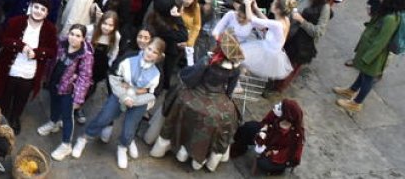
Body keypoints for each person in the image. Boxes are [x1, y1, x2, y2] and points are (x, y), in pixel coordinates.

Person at [150, 32, 243, 172]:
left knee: (179, 100)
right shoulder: (235, 68)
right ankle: (207, 159)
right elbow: (230, 90)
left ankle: (172, 145)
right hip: (219, 96)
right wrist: (226, 101)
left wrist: (184, 77)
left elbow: (192, 78)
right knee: (226, 117)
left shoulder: (208, 61)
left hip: (198, 91)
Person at [71, 37, 164, 168]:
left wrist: (135, 95)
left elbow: (152, 93)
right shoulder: (129, 59)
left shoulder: (157, 72)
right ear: (145, 47)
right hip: (120, 93)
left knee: (129, 128)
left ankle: (123, 147)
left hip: (139, 101)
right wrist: (126, 95)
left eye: (154, 52)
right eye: (149, 49)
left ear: (159, 56)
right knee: (104, 117)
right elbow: (115, 77)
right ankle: (84, 138)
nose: (150, 53)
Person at [0, 0, 58, 132]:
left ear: (47, 13)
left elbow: (52, 51)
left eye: (43, 9)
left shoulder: (50, 29)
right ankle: (1, 118)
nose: (38, 11)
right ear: (31, 7)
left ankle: (15, 118)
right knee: (5, 96)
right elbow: (4, 39)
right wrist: (21, 46)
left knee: (21, 98)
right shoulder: (16, 21)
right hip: (11, 69)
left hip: (30, 72)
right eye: (36, 7)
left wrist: (37, 53)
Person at [335, 0, 405, 112]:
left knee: (368, 78)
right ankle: (352, 90)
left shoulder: (390, 19)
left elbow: (381, 41)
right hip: (369, 50)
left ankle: (356, 103)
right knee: (363, 73)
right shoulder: (387, 12)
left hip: (374, 55)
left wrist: (367, 58)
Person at [39, 23, 94, 160]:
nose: (73, 38)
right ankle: (53, 122)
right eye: (72, 34)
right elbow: (52, 61)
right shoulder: (61, 44)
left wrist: (78, 99)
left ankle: (66, 144)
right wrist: (46, 75)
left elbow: (85, 77)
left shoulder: (85, 55)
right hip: (54, 82)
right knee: (54, 104)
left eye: (78, 36)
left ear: (83, 38)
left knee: (67, 116)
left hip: (69, 90)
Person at [231, 99, 305, 176]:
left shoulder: (296, 135)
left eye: (280, 107)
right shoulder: (276, 113)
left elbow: (289, 154)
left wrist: (269, 152)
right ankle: (240, 148)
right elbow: (265, 122)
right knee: (248, 127)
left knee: (263, 163)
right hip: (268, 137)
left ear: (287, 115)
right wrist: (263, 132)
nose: (276, 106)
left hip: (278, 152)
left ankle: (278, 170)